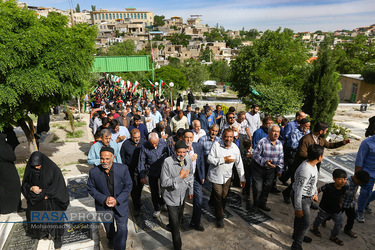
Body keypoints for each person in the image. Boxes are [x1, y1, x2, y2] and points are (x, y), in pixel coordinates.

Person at [282, 121, 350, 205]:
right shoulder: (306, 139)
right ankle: (289, 195)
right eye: (326, 131)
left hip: (314, 165)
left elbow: (330, 145)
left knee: (312, 182)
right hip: (303, 166)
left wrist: (342, 143)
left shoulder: (320, 139)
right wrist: (315, 156)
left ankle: (309, 200)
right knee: (298, 183)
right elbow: (301, 153)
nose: (326, 132)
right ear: (321, 131)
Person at [22, 151, 70, 249]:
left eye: (38, 165)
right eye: (34, 165)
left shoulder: (53, 169)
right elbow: (25, 184)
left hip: (51, 198)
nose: (36, 168)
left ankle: (57, 238)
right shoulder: (30, 169)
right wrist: (31, 188)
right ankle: (42, 233)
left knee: (54, 218)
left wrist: (45, 193)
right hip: (37, 199)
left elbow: (58, 186)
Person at [87, 147, 133, 250]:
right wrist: (104, 199)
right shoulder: (94, 172)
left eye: (107, 158)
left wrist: (117, 200)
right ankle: (111, 240)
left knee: (122, 231)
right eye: (102, 158)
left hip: (121, 205)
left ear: (113, 158)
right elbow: (90, 188)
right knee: (109, 229)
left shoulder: (123, 169)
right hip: (104, 207)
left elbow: (128, 186)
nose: (104, 161)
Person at [207, 128, 245, 227]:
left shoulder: (235, 148)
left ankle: (217, 207)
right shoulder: (216, 145)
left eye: (230, 137)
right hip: (216, 176)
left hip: (227, 177)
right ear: (222, 137)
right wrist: (223, 159)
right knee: (219, 196)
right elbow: (209, 159)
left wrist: (242, 178)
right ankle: (219, 217)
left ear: (233, 137)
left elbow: (239, 163)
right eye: (226, 137)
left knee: (224, 196)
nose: (228, 139)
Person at [161, 140, 194, 250]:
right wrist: (179, 177)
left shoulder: (188, 159)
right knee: (175, 227)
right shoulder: (167, 162)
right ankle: (177, 246)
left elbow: (190, 175)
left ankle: (172, 225)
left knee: (178, 220)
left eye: (184, 152)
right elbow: (164, 183)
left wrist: (190, 190)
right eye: (179, 152)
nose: (182, 155)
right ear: (175, 151)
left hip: (182, 196)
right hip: (170, 197)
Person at [290, 144, 324, 250]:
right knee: (305, 223)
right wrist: (298, 208)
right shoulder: (306, 170)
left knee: (300, 219)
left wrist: (314, 193)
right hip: (302, 198)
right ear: (319, 157)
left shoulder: (312, 166)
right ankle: (296, 245)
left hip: (307, 197)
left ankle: (296, 235)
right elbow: (299, 191)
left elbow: (313, 182)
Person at [310, 169, 347, 247]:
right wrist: (315, 195)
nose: (343, 181)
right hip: (325, 209)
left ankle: (333, 236)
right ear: (334, 179)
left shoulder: (344, 187)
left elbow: (341, 195)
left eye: (345, 179)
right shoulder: (328, 186)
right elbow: (318, 190)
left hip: (336, 210)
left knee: (339, 223)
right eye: (340, 179)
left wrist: (340, 203)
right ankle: (314, 228)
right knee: (319, 219)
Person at [251, 124, 283, 212]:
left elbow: (281, 157)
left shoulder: (280, 143)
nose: (276, 134)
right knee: (258, 188)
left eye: (278, 132)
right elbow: (255, 155)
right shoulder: (263, 141)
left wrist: (280, 169)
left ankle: (263, 204)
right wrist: (265, 161)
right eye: (274, 131)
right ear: (269, 132)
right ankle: (255, 205)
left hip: (271, 170)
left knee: (267, 188)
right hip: (259, 168)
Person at [138, 133, 171, 217]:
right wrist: (142, 175)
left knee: (165, 188)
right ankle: (157, 208)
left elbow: (169, 154)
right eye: (151, 143)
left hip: (163, 170)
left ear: (158, 140)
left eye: (155, 143)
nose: (154, 145)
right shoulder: (144, 146)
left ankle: (164, 203)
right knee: (154, 191)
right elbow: (141, 161)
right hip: (151, 171)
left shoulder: (163, 143)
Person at [182, 130, 206, 231]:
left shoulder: (198, 147)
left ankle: (195, 222)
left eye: (190, 137)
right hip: (182, 178)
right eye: (186, 137)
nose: (189, 140)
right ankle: (177, 221)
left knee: (198, 201)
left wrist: (203, 175)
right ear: (183, 138)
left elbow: (201, 162)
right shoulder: (179, 148)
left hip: (196, 178)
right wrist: (189, 159)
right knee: (180, 201)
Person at [120, 129, 147, 216]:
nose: (137, 139)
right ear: (131, 137)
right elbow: (122, 158)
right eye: (135, 137)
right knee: (134, 188)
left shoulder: (144, 142)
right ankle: (136, 207)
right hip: (130, 170)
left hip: (141, 170)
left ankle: (138, 200)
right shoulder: (126, 144)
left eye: (138, 137)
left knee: (139, 187)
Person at [279, 118, 311, 189]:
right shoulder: (294, 132)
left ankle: (283, 178)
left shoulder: (308, 132)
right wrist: (303, 146)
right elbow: (293, 145)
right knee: (294, 171)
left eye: (309, 126)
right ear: (301, 125)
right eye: (306, 126)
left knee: (293, 169)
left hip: (302, 153)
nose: (308, 128)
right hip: (293, 153)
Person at [355, 119, 375, 223]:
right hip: (368, 173)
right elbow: (359, 160)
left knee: (368, 195)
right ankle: (360, 211)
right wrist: (357, 176)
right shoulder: (367, 143)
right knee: (365, 192)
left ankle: (365, 203)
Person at [341, 170, 369, 238]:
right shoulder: (346, 183)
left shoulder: (356, 183)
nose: (360, 184)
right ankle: (323, 219)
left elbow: (353, 191)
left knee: (351, 217)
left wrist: (354, 198)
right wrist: (339, 202)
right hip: (342, 203)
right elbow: (340, 194)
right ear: (355, 176)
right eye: (359, 182)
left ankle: (348, 229)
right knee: (332, 214)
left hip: (350, 204)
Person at [0, 133, 21, 214]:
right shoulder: (2, 147)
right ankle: (15, 207)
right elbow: (12, 156)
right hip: (7, 172)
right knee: (14, 188)